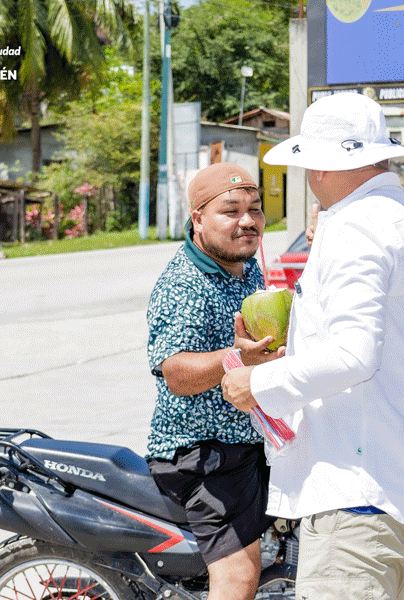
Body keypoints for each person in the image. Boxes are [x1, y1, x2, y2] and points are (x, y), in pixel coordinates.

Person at [221, 92, 404, 600]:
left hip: (358, 498)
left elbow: (353, 355)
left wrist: (257, 382)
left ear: (323, 166)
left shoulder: (356, 226)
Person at [145, 162, 283, 600]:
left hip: (252, 442)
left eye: (255, 209)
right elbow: (175, 372)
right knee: (240, 574)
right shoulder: (184, 283)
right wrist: (236, 357)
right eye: (231, 211)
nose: (248, 221)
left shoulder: (247, 268)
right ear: (198, 218)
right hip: (205, 454)